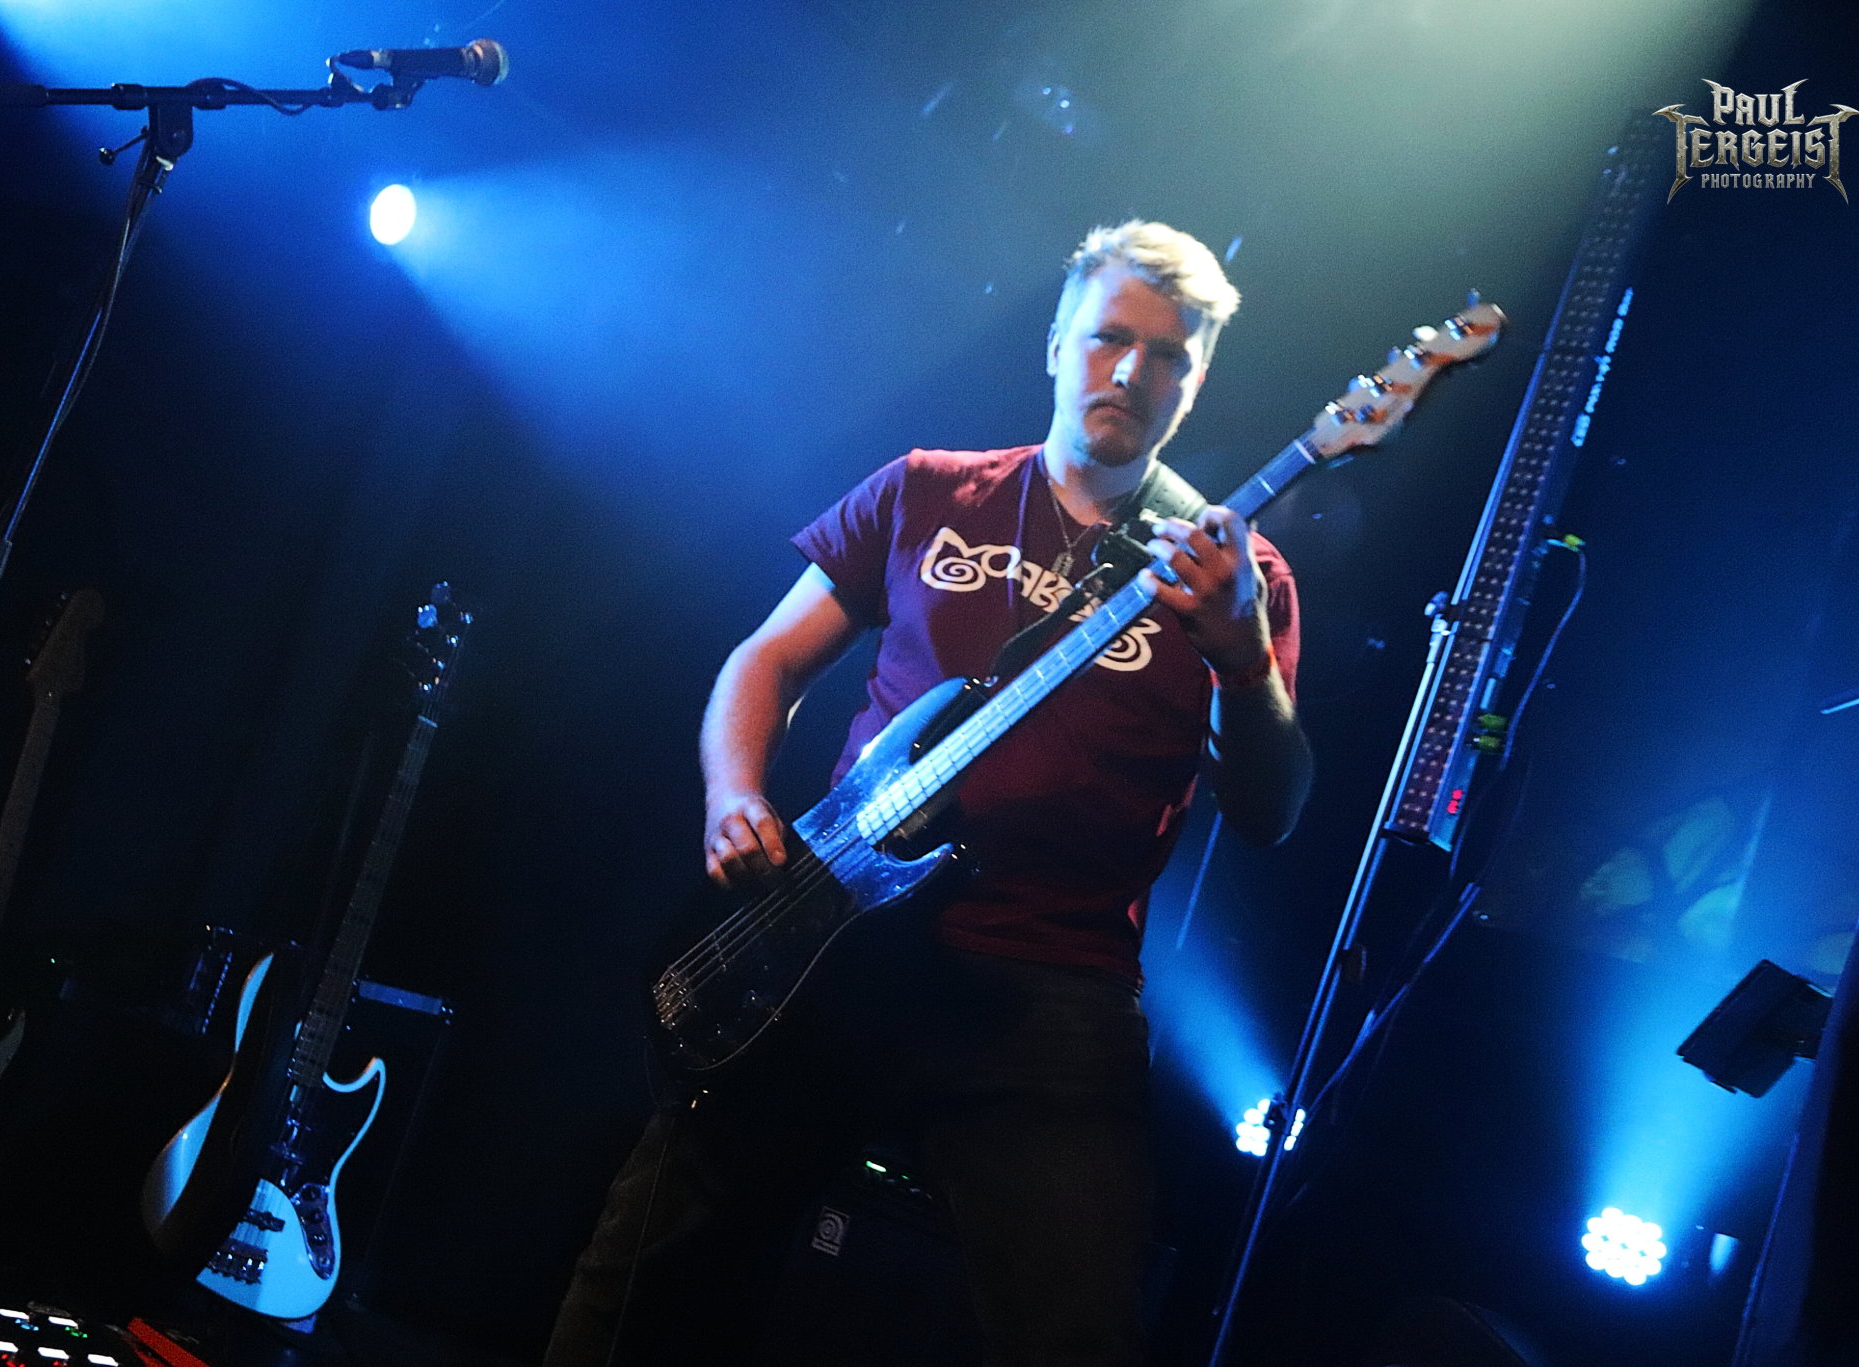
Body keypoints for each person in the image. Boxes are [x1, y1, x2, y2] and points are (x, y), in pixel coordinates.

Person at [544, 220, 1312, 1367]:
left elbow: (1268, 811)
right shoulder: (929, 488)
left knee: (1076, 1332)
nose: (1129, 371)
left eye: (1168, 356)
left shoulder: (1234, 576)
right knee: (647, 1267)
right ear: (1055, 344)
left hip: (1049, 991)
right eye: (1107, 337)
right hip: (831, 939)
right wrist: (731, 794)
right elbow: (766, 659)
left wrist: (1242, 658)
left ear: (1194, 383)